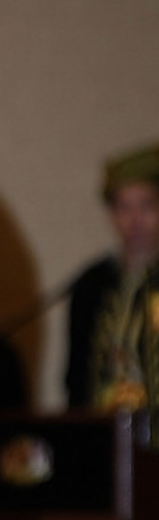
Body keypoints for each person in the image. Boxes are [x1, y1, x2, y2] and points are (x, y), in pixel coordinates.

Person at [66, 143, 159, 422]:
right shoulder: (92, 284)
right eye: (123, 207)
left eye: (146, 205)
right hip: (105, 433)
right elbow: (76, 376)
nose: (134, 220)